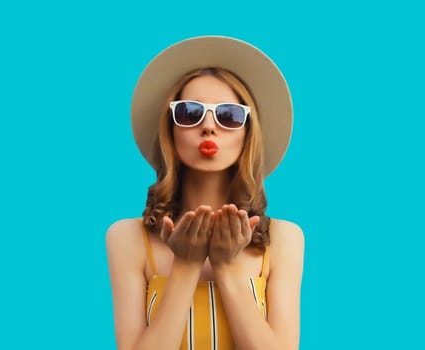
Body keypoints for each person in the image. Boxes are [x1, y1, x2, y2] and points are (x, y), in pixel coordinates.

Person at [106, 35, 304, 350]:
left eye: (228, 115)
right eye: (189, 112)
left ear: (247, 133)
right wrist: (186, 264)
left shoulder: (285, 238)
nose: (209, 127)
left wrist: (225, 267)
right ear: (170, 130)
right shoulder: (127, 238)